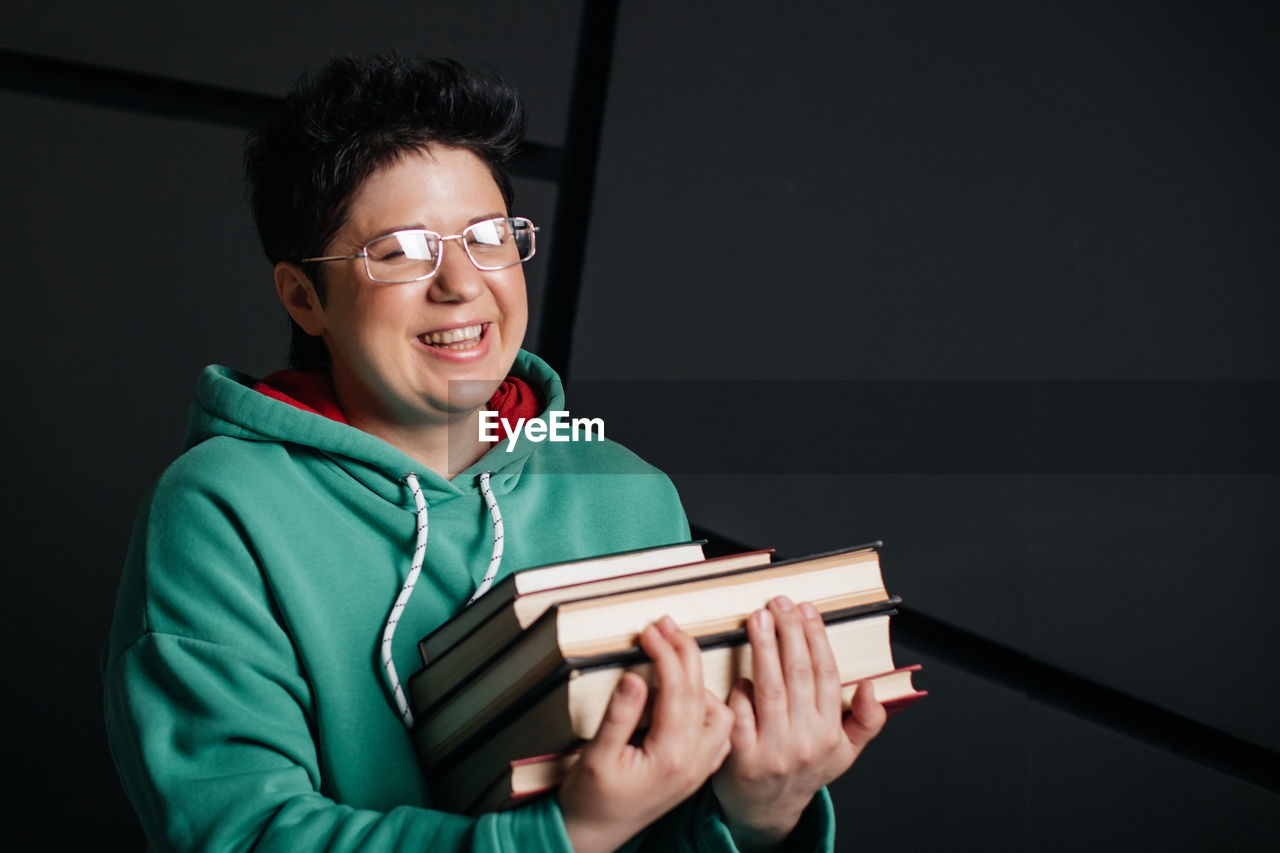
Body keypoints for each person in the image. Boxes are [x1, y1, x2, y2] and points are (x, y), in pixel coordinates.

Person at [102, 54, 886, 852]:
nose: (462, 285)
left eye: (488, 238)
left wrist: (758, 813)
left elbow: (663, 815)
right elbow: (242, 833)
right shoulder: (220, 508)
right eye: (402, 251)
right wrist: (566, 833)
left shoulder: (623, 489)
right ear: (305, 295)